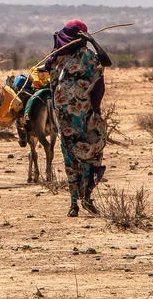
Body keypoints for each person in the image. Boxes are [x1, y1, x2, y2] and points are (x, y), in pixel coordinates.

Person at [40, 19, 112, 217]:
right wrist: (93, 42)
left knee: (70, 157)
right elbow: (106, 62)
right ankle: (85, 197)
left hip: (62, 118)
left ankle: (74, 203)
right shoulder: (86, 56)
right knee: (92, 152)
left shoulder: (55, 57)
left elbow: (50, 82)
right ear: (81, 36)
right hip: (84, 117)